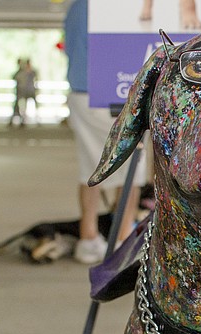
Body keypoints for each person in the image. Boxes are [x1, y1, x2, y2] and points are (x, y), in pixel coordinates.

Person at [64, 0, 146, 264]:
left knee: (91, 166)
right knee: (131, 166)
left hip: (81, 90)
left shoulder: (77, 7)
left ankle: (88, 238)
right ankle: (123, 239)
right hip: (114, 88)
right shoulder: (115, 7)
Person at [18, 59, 38, 126]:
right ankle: (23, 119)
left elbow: (36, 78)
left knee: (35, 105)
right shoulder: (24, 72)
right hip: (26, 90)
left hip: (31, 90)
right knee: (24, 106)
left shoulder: (32, 71)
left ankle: (37, 119)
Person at [8, 58, 24, 127]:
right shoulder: (19, 72)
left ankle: (21, 120)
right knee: (17, 106)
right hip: (19, 91)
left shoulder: (23, 72)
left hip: (21, 91)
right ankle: (19, 120)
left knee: (20, 106)